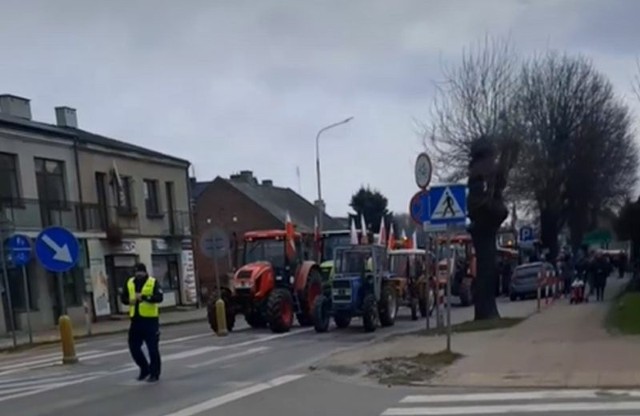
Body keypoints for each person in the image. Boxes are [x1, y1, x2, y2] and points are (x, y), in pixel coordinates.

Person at [120, 263, 164, 382]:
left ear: (145, 272)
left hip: (150, 321)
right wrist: (129, 301)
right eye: (136, 272)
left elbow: (159, 298)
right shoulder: (130, 282)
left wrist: (144, 297)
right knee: (133, 347)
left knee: (152, 349)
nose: (138, 274)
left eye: (140, 272)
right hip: (136, 320)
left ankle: (155, 373)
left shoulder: (152, 282)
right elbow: (123, 298)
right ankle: (144, 369)